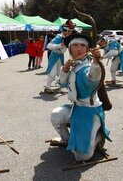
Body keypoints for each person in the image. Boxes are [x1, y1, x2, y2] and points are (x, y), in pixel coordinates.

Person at [49, 32, 111, 161]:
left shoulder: (87, 66)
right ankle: (67, 139)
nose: (78, 49)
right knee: (56, 115)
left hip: (90, 111)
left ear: (88, 49)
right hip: (76, 107)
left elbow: (93, 77)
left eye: (82, 46)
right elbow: (62, 82)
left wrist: (96, 62)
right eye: (75, 45)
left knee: (81, 156)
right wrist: (65, 69)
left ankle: (99, 136)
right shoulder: (73, 64)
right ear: (70, 48)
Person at [45, 21, 74, 92]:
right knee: (53, 72)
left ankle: (60, 85)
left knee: (60, 72)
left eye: (70, 31)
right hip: (55, 56)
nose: (68, 32)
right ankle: (47, 87)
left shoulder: (66, 38)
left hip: (60, 56)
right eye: (67, 31)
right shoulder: (59, 37)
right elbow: (48, 46)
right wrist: (60, 45)